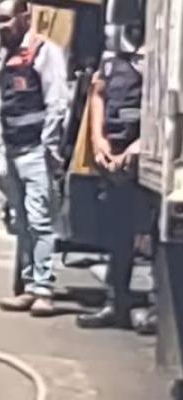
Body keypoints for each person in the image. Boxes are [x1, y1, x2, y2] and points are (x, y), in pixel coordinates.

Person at [0, 0, 70, 317]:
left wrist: (49, 148)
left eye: (6, 20)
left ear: (25, 17)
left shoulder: (44, 52)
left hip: (35, 152)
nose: (1, 27)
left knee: (40, 222)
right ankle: (27, 284)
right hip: (10, 151)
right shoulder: (4, 57)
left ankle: (43, 289)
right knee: (20, 222)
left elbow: (57, 103)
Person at [75, 23, 154, 330]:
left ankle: (158, 308)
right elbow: (98, 94)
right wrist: (99, 142)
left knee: (154, 236)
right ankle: (115, 302)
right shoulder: (111, 60)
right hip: (114, 157)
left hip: (145, 155)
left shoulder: (159, 58)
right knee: (117, 235)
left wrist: (139, 145)